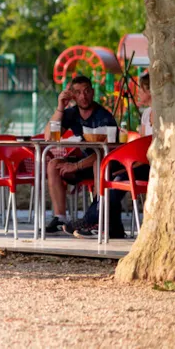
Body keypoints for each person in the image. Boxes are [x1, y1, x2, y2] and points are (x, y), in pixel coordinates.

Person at [65, 73, 153, 239]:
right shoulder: (147, 114)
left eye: (141, 89)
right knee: (110, 177)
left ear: (152, 91)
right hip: (139, 164)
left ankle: (91, 220)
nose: (138, 93)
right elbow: (142, 145)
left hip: (153, 166)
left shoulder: (166, 116)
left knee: (115, 181)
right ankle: (113, 228)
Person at [43, 75, 117, 233]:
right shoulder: (71, 113)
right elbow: (49, 136)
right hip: (84, 162)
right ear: (72, 95)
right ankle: (60, 217)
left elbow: (106, 152)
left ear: (93, 92)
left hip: (103, 164)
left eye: (87, 91)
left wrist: (75, 166)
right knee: (53, 164)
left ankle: (97, 218)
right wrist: (60, 107)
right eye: (78, 92)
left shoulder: (104, 116)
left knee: (99, 164)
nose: (83, 96)